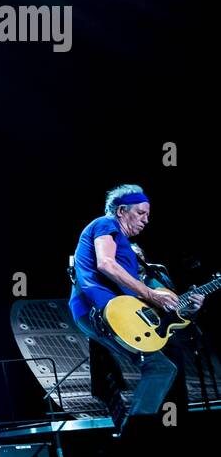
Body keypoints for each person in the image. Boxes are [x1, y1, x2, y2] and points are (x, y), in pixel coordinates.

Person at [69, 184, 202, 436]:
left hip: (112, 311)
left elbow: (139, 296)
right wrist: (151, 294)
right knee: (160, 367)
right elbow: (105, 264)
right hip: (97, 309)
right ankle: (134, 437)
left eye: (148, 215)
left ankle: (134, 435)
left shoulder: (128, 250)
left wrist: (188, 308)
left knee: (161, 367)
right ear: (121, 211)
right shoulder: (105, 224)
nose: (146, 220)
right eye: (141, 213)